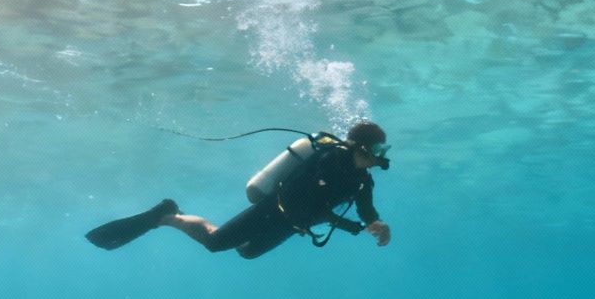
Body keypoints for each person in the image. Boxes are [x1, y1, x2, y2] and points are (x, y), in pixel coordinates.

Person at [86, 121, 392, 259]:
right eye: (377, 147)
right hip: (275, 210)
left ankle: (171, 216)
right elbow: (304, 199)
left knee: (247, 252)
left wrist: (374, 223)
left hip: (293, 224)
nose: (380, 154)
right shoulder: (327, 160)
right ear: (362, 146)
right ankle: (168, 215)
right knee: (217, 243)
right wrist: (342, 223)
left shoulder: (363, 179)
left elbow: (366, 207)